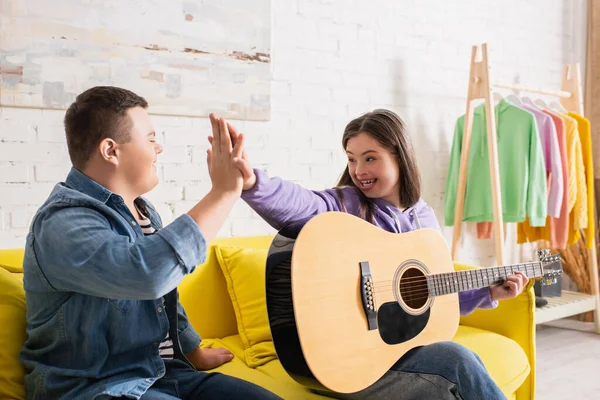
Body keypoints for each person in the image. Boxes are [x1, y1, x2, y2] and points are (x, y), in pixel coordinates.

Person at [217, 109, 528, 400]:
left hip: (395, 352)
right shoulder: (346, 206)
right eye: (352, 160)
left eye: (370, 158)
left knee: (457, 366)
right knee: (458, 361)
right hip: (342, 366)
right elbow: (302, 203)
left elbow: (431, 304)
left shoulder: (425, 221)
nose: (359, 171)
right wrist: (253, 183)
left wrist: (488, 291)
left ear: (400, 157)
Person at [20, 86, 281, 400]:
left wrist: (192, 349)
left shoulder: (144, 212)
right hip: (97, 388)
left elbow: (162, 296)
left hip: (164, 373)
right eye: (151, 138)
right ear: (111, 151)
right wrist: (223, 193)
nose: (159, 149)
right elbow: (147, 275)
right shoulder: (61, 224)